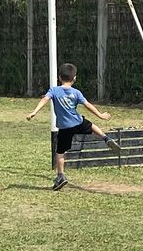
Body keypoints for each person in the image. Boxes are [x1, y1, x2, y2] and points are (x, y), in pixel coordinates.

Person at [26, 62, 120, 190]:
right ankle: (106, 138)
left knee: (60, 152)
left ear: (59, 77)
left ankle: (61, 176)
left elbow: (44, 99)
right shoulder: (76, 92)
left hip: (64, 127)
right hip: (77, 122)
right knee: (91, 125)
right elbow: (87, 105)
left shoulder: (54, 90)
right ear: (74, 78)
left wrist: (34, 112)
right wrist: (100, 115)